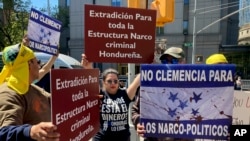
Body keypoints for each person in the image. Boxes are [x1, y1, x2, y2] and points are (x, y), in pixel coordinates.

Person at [0, 43, 60, 140]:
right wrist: (31, 131)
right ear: (29, 64)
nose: (40, 65)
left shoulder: (30, 86)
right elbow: (5, 133)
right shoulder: (8, 93)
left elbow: (53, 99)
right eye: (38, 61)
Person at [131, 47, 192, 141]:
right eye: (165, 61)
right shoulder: (151, 85)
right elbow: (135, 110)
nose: (168, 65)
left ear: (183, 62)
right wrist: (139, 123)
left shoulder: (193, 85)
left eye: (174, 61)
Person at [81, 54, 140, 141]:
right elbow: (90, 78)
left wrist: (149, 63)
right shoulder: (99, 94)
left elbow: (138, 80)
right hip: (102, 138)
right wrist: (88, 67)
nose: (113, 83)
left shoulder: (125, 94)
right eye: (109, 81)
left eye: (115, 81)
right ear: (104, 82)